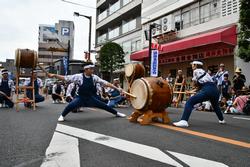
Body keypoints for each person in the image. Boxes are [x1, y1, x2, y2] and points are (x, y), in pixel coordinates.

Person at [48, 62, 126, 122]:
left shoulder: (94, 77)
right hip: (80, 97)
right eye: (91, 69)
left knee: (104, 105)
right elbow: (66, 78)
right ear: (86, 69)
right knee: (71, 105)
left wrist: (117, 88)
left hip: (90, 97)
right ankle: (62, 116)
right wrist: (55, 75)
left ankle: (116, 113)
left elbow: (105, 83)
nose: (93, 70)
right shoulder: (79, 77)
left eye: (93, 68)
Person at [173, 61, 225, 127]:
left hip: (207, 89)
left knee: (190, 101)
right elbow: (199, 87)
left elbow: (195, 85)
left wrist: (190, 90)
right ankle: (222, 120)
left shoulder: (195, 71)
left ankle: (184, 121)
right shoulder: (205, 72)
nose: (192, 66)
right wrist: (190, 92)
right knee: (215, 106)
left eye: (192, 64)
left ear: (195, 65)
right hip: (215, 90)